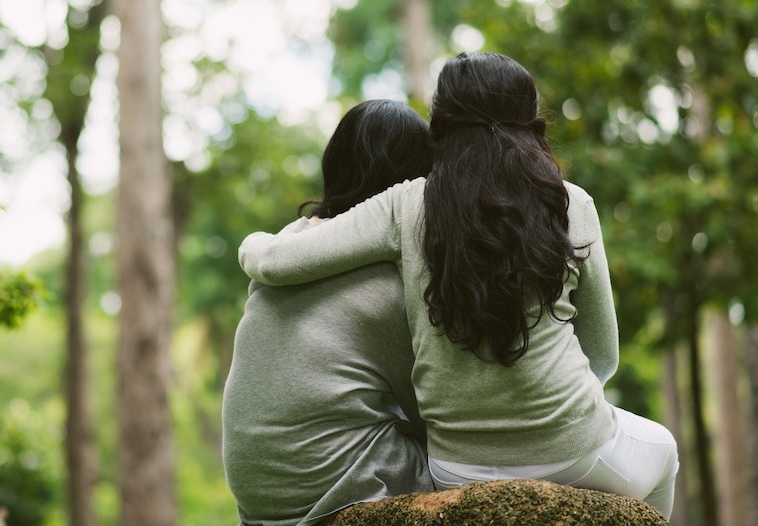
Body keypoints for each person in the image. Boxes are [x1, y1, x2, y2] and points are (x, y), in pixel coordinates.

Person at [238, 53, 679, 519]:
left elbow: (275, 261)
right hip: (574, 448)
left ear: (440, 129)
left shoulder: (407, 204)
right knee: (664, 451)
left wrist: (253, 243)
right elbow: (602, 353)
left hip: (455, 466)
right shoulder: (570, 204)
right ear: (532, 124)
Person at [222, 99, 436, 526]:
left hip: (257, 499)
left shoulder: (290, 240)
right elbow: (428, 407)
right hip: (332, 492)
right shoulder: (384, 283)